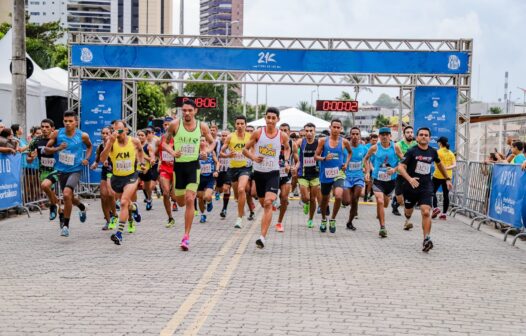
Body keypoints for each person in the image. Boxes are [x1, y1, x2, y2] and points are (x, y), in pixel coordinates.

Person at [164, 99, 215, 251]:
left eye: (189, 110)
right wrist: (172, 151)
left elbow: (213, 143)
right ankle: (180, 202)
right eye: (184, 110)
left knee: (189, 198)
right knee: (180, 201)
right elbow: (165, 143)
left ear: (195, 111)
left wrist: (206, 151)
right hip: (178, 168)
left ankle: (186, 237)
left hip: (194, 166)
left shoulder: (202, 126)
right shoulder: (175, 124)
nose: (186, 113)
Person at [397, 127, 452, 252]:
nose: (423, 136)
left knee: (426, 212)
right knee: (408, 212)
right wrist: (410, 179)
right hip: (410, 187)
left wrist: (447, 178)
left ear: (429, 138)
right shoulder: (411, 151)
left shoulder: (433, 152)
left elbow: (439, 165)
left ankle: (426, 238)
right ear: (417, 138)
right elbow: (400, 167)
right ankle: (407, 216)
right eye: (421, 134)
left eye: (426, 135)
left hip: (426, 187)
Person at [242, 107, 290, 249]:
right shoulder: (258, 132)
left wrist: (286, 161)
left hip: (273, 173)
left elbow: (287, 148)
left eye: (273, 118)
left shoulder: (282, 135)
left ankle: (262, 237)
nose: (270, 120)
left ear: (277, 120)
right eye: (268, 117)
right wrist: (254, 157)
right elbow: (245, 149)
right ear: (265, 118)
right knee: (263, 203)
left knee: (268, 203)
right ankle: (270, 205)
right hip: (259, 174)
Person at [45, 111, 92, 237]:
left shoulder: (83, 135)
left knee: (66, 194)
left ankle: (65, 226)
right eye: (65, 121)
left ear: (76, 122)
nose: (67, 123)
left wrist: (86, 158)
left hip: (75, 169)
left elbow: (89, 147)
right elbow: (46, 149)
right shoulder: (57, 133)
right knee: (69, 197)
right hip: (61, 170)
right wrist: (57, 148)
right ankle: (82, 207)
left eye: (70, 121)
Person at [99, 121, 146, 245]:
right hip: (116, 178)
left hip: (131, 176)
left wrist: (141, 163)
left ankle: (119, 234)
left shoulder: (134, 141)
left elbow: (140, 151)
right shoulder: (111, 142)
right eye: (115, 131)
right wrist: (109, 143)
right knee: (127, 204)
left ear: (126, 130)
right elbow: (102, 159)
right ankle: (134, 208)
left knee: (124, 202)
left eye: (120, 130)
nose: (118, 133)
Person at [314, 119, 352, 234]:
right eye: (334, 127)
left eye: (338, 127)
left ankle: (333, 219)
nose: (336, 129)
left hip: (338, 173)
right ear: (330, 127)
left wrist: (346, 163)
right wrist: (324, 158)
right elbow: (315, 156)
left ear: (341, 129)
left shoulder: (344, 142)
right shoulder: (322, 141)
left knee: (339, 196)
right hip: (325, 173)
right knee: (325, 199)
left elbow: (350, 153)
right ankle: (324, 219)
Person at [364, 127, 402, 237]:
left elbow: (403, 160)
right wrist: (367, 172)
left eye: (387, 134)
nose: (384, 136)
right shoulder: (374, 148)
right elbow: (366, 159)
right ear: (379, 136)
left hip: (391, 181)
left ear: (390, 136)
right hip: (377, 180)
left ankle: (379, 213)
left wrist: (394, 169)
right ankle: (382, 227)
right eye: (382, 135)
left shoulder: (395, 147)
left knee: (385, 204)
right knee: (379, 201)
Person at [220, 115, 251, 229]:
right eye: (238, 124)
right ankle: (241, 207)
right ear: (235, 125)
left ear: (245, 125)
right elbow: (221, 153)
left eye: (242, 123)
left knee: (242, 189)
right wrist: (228, 155)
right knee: (237, 196)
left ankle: (239, 218)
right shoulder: (230, 137)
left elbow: (255, 149)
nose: (240, 126)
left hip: (245, 168)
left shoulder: (250, 137)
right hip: (233, 168)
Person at [27, 119, 61, 219]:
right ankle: (61, 212)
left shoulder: (58, 139)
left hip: (57, 168)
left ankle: (53, 206)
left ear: (52, 128)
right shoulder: (36, 141)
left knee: (45, 186)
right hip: (43, 171)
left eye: (47, 127)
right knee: (51, 193)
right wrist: (31, 158)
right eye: (42, 127)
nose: (44, 129)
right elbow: (28, 158)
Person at [90, 126, 118, 230]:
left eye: (107, 133)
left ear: (112, 134)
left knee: (111, 195)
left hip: (115, 171)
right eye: (103, 133)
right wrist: (95, 163)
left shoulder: (116, 145)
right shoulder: (100, 146)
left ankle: (115, 214)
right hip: (106, 172)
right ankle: (108, 220)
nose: (105, 136)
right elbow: (97, 158)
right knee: (103, 196)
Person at [342, 127, 368, 231]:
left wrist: (367, 172)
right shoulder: (345, 148)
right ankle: (347, 203)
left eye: (357, 134)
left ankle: (349, 222)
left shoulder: (364, 148)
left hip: (358, 177)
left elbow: (367, 161)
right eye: (353, 134)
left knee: (355, 199)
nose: (355, 136)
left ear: (360, 135)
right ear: (350, 135)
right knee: (346, 202)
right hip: (347, 177)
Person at [295, 123, 320, 228]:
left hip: (315, 175)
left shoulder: (319, 143)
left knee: (313, 198)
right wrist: (295, 166)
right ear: (304, 132)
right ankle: (305, 203)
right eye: (307, 131)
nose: (309, 133)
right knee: (306, 198)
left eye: (311, 131)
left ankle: (310, 219)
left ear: (315, 131)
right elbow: (296, 155)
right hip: (303, 174)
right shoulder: (301, 142)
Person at [275, 123, 298, 233]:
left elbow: (298, 161)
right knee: (268, 199)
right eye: (281, 130)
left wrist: (294, 167)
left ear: (289, 132)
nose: (283, 132)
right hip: (273, 173)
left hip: (286, 174)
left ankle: (279, 222)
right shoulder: (273, 141)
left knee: (284, 198)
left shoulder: (292, 144)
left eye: (286, 130)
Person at [155, 121, 178, 228]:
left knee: (174, 196)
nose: (167, 127)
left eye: (169, 125)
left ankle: (175, 201)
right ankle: (170, 217)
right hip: (164, 169)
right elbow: (156, 153)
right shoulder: (160, 140)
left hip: (176, 169)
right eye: (165, 125)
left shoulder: (178, 139)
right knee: (165, 193)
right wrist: (156, 159)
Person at [392, 126, 416, 216]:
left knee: (408, 195)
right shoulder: (399, 145)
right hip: (401, 173)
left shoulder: (415, 144)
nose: (410, 134)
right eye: (408, 132)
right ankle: (395, 202)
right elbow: (403, 158)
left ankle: (406, 212)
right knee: (399, 197)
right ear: (404, 134)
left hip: (411, 174)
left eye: (411, 132)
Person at [432, 136, 456, 220]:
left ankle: (435, 208)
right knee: (446, 195)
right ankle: (444, 214)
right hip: (448, 177)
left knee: (432, 192)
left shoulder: (437, 152)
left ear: (440, 143)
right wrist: (447, 168)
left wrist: (443, 168)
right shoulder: (451, 153)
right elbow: (454, 164)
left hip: (437, 175)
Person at [197, 137, 219, 223]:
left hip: (210, 176)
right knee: (200, 197)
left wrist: (216, 171)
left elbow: (217, 162)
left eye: (203, 140)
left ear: (206, 142)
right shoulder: (196, 153)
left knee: (206, 196)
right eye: (200, 140)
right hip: (199, 177)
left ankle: (209, 202)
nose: (202, 142)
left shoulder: (211, 152)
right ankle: (203, 215)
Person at [137, 129, 156, 210]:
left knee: (147, 188)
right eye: (139, 135)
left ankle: (149, 199)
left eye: (142, 135)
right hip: (137, 169)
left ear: (145, 136)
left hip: (146, 170)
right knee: (133, 186)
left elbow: (152, 159)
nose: (140, 137)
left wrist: (145, 157)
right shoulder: (135, 146)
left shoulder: (148, 146)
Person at [216, 130, 232, 219]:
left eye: (226, 135)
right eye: (222, 135)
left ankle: (224, 209)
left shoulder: (232, 144)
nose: (224, 137)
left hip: (229, 169)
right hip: (219, 169)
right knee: (219, 189)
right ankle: (217, 191)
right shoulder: (217, 144)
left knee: (226, 188)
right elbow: (214, 154)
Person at [363, 133, 378, 202]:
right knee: (368, 181)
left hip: (376, 167)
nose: (374, 142)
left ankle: (370, 194)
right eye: (373, 140)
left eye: (376, 140)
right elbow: (366, 159)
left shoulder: (378, 147)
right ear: (370, 140)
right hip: (367, 166)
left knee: (373, 182)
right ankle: (366, 195)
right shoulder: (366, 147)